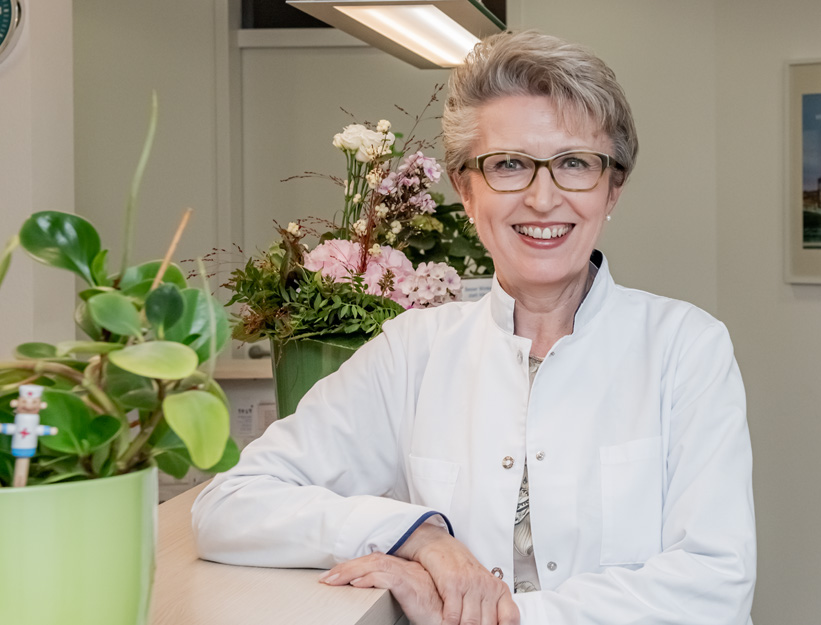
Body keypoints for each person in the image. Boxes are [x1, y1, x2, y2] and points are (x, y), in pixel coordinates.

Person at [192, 30, 756, 625]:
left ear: (612, 189)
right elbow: (228, 505)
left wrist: (504, 618)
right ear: (466, 190)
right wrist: (418, 536)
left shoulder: (685, 348)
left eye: (574, 164)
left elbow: (715, 585)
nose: (543, 198)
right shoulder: (412, 352)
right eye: (509, 165)